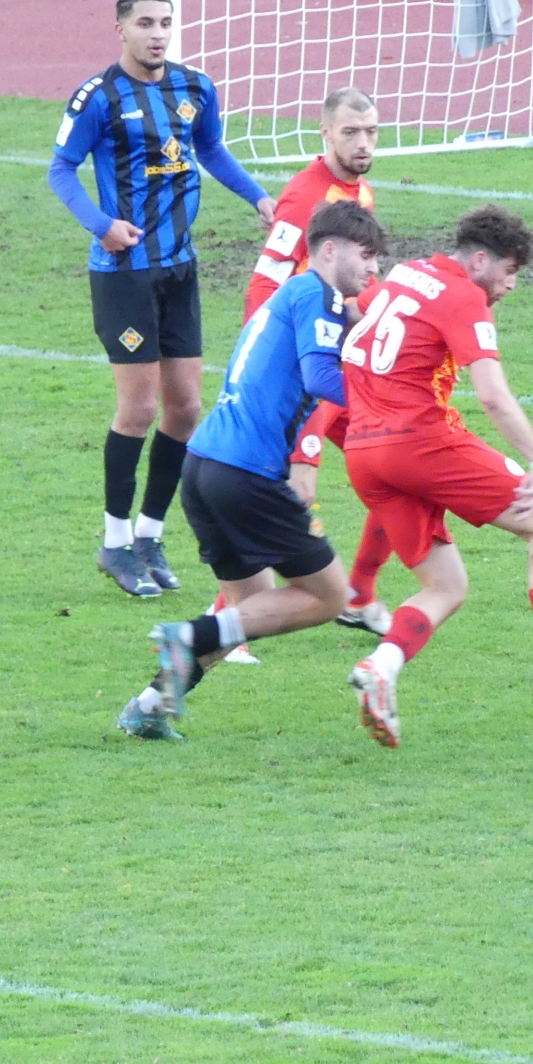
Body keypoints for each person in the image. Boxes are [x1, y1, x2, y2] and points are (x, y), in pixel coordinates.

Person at [338, 204, 533, 749]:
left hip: (363, 453)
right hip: (419, 442)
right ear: (478, 262)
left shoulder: (406, 273)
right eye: (509, 271)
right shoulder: (463, 296)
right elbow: (492, 395)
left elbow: (358, 313)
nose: (511, 285)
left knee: (446, 586)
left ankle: (381, 667)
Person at [115, 201, 383, 740]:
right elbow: (320, 377)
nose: (373, 268)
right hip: (246, 474)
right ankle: (187, 635)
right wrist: (388, 400)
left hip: (204, 466)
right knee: (330, 596)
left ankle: (148, 707)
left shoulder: (296, 295)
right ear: (329, 250)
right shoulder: (316, 294)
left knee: (251, 613)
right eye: (366, 255)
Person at [50, 0, 275, 598]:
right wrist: (102, 224)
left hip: (180, 268)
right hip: (123, 273)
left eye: (165, 23)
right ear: (120, 29)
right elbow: (61, 169)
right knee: (139, 410)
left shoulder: (194, 88)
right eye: (146, 23)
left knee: (185, 408)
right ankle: (115, 542)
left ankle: (150, 535)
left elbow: (210, 149)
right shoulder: (98, 97)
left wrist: (258, 196)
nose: (157, 34)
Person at [211, 86, 395, 653]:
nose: (363, 143)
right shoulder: (304, 199)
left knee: (397, 472)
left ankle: (359, 595)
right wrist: (274, 373)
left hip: (338, 367)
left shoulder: (359, 192)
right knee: (295, 487)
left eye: (371, 132)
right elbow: (263, 288)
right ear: (325, 133)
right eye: (350, 132)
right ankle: (229, 616)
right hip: (308, 376)